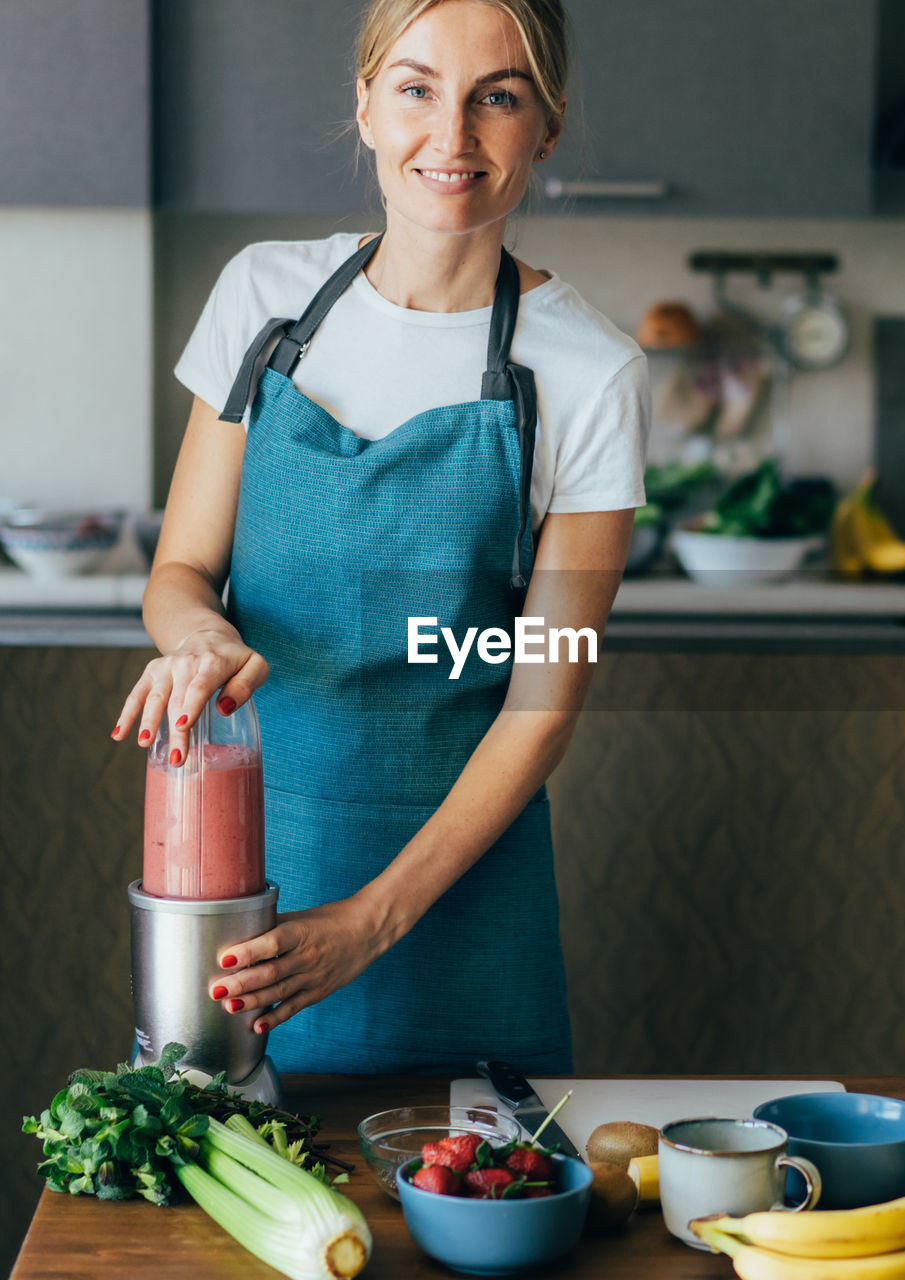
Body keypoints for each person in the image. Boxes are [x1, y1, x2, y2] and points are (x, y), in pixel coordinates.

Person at [113, 0, 649, 1075]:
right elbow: (179, 572)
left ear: (543, 125)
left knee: (473, 1209)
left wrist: (369, 918)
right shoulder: (260, 302)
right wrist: (198, 639)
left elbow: (543, 703)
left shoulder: (591, 373)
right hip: (247, 860)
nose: (449, 138)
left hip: (456, 895)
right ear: (363, 106)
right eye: (414, 89)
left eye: (494, 97)